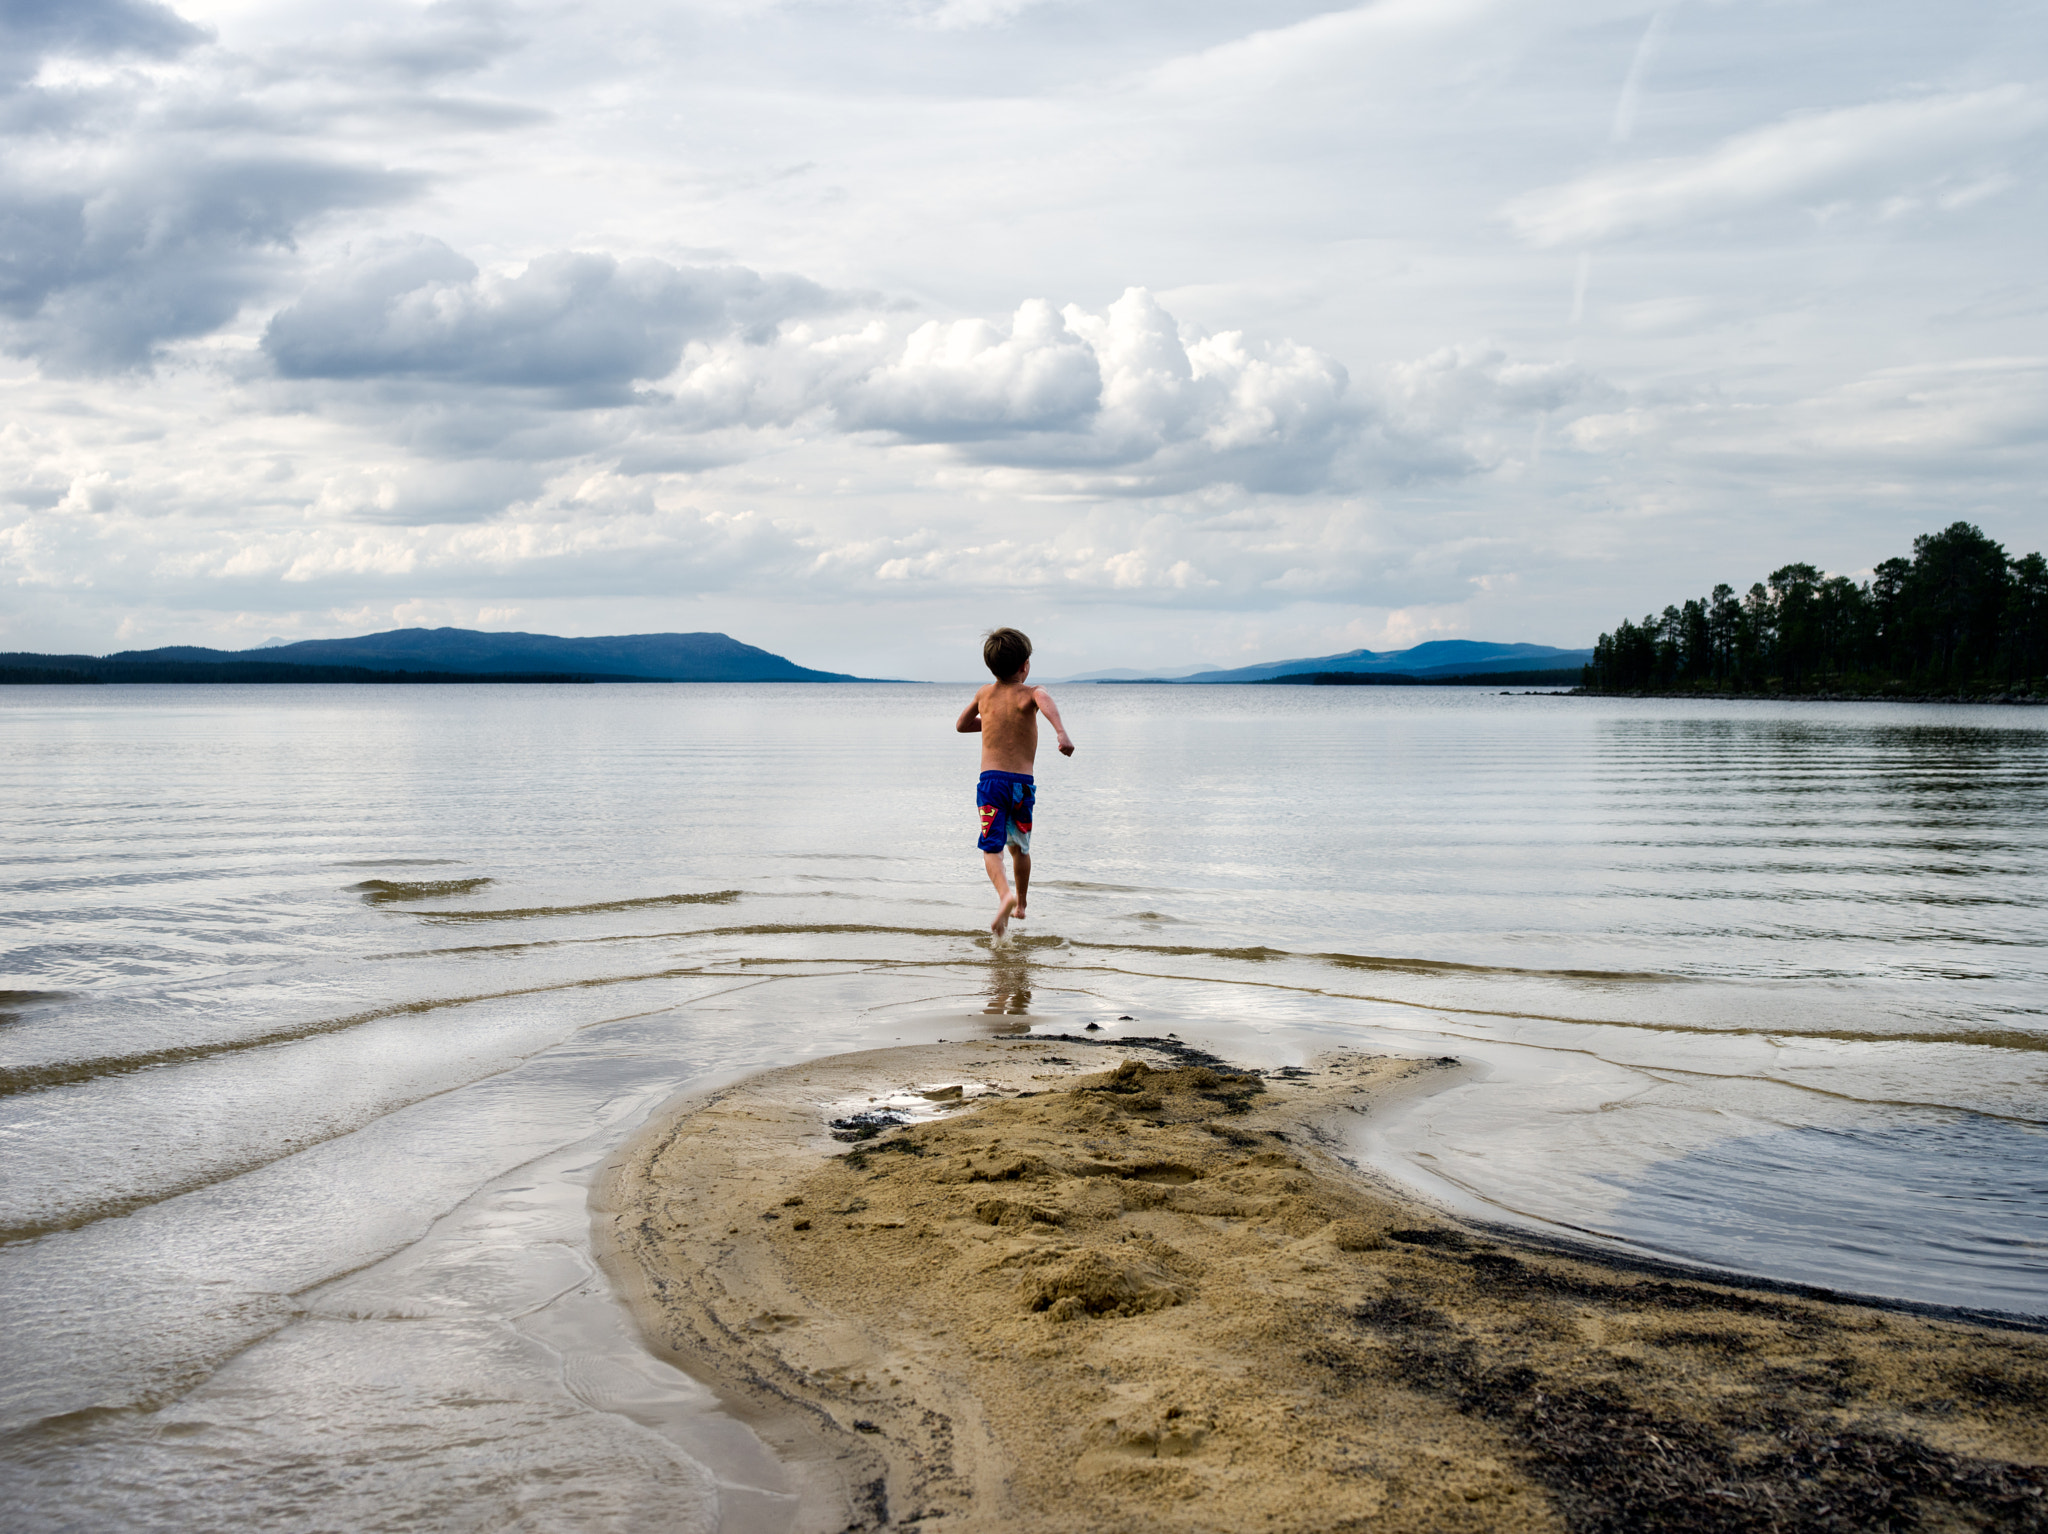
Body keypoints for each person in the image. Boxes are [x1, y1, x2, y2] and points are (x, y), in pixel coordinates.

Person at [955, 627, 1074, 938]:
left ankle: (1004, 895)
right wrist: (1061, 734)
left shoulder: (984, 693)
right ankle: (1020, 904)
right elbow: (1047, 705)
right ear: (1025, 665)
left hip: (991, 783)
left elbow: (961, 725)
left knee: (991, 849)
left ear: (991, 667)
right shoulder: (1032, 692)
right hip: (1022, 785)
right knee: (1019, 848)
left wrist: (993, 722)